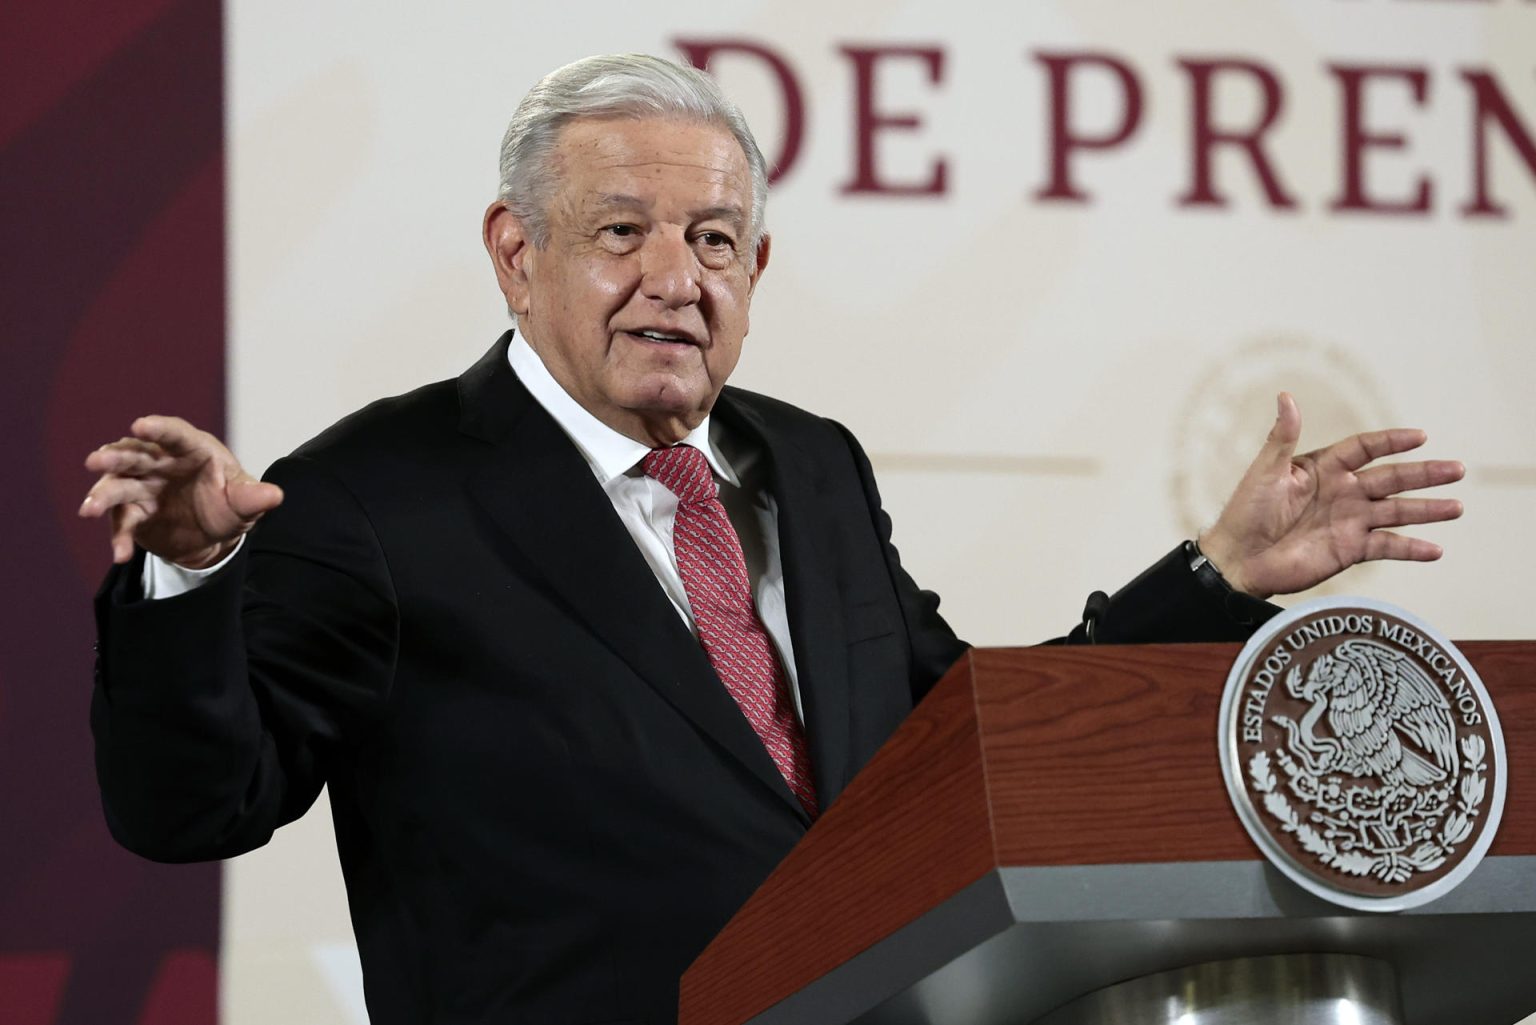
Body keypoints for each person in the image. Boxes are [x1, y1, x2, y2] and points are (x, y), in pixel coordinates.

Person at [79, 54, 1464, 1025]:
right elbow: (189, 805)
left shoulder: (810, 462)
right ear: (515, 250)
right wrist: (194, 575)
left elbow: (955, 747)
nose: (676, 280)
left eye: (717, 239)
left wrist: (1215, 575)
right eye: (621, 232)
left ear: (758, 269)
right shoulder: (379, 492)